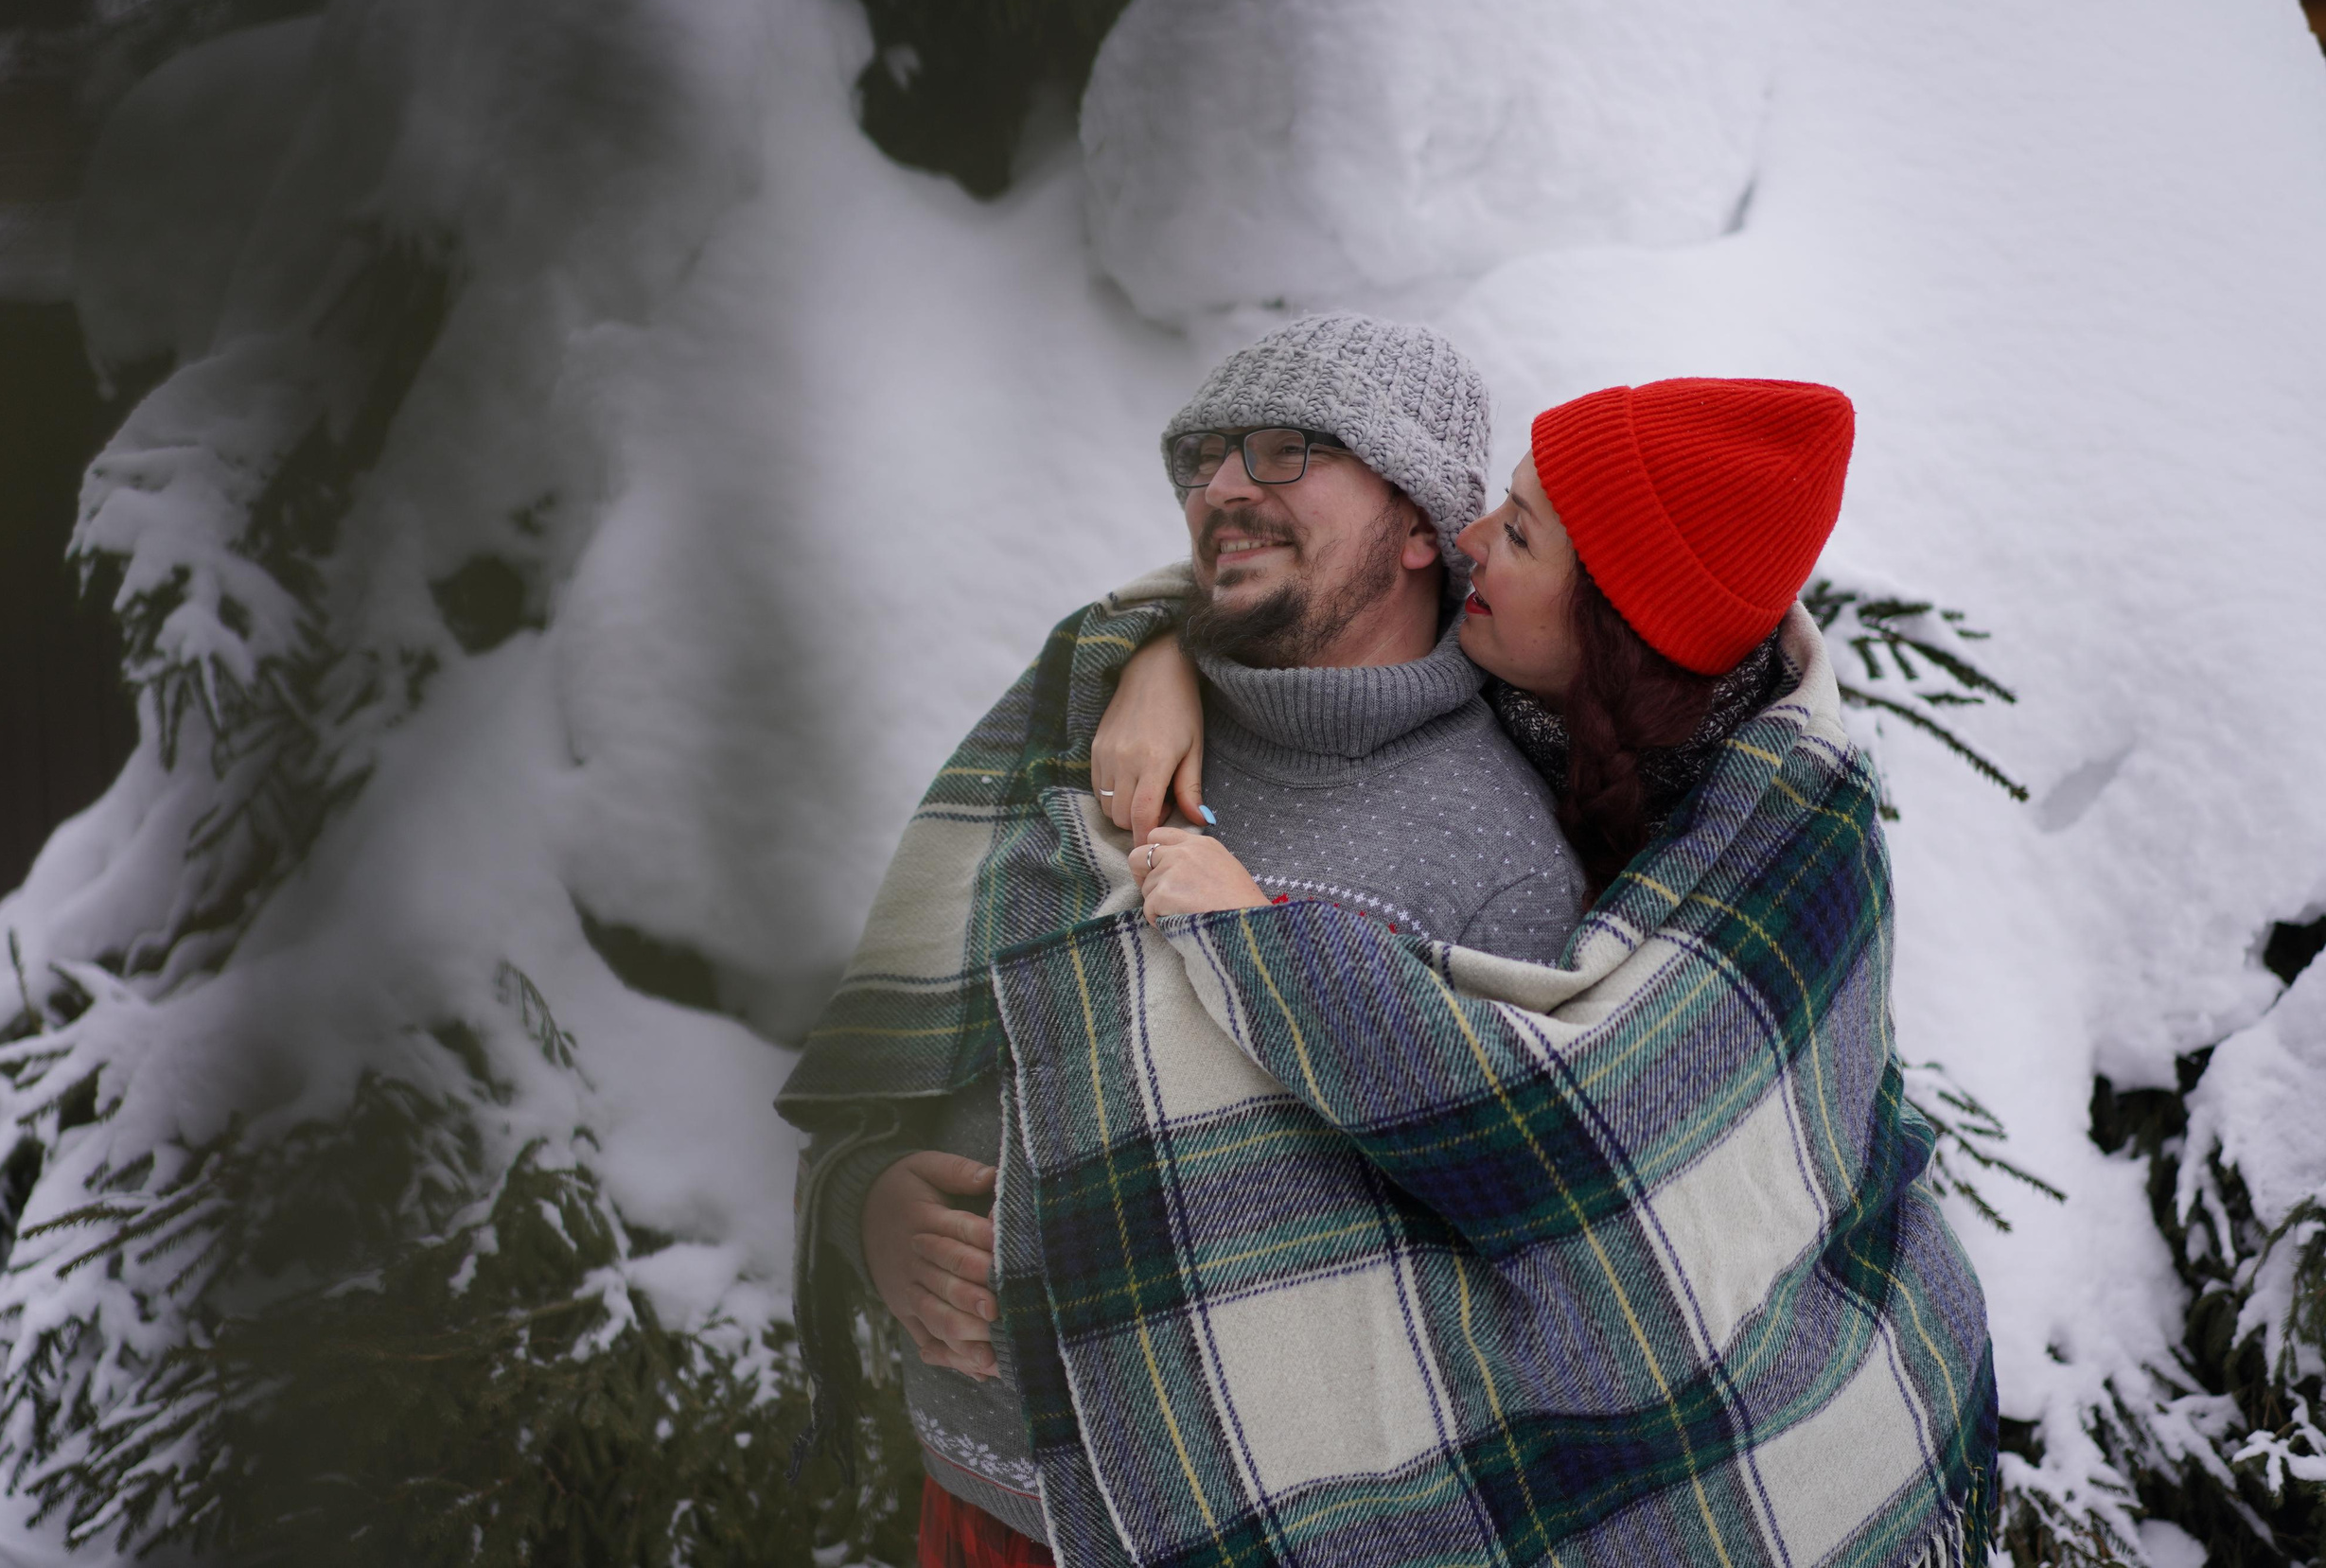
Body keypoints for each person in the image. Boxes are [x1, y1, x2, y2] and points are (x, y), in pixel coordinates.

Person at [1099, 378, 2000, 1565]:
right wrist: (1154, 654)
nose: (1470, 541)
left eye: (1515, 534)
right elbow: (1324, 582)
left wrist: (1259, 941)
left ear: (1613, 626)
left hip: (1833, 1393)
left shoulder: (1782, 823)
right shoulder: (1549, 684)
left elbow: (1592, 1132)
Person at [775, 315, 1587, 1568]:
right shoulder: (1091, 726)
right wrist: (864, 1208)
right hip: (974, 1502)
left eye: (1285, 450)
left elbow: (1509, 1288)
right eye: (1205, 456)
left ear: (1422, 521)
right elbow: (908, 1040)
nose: (1221, 487)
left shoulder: (1498, 863)